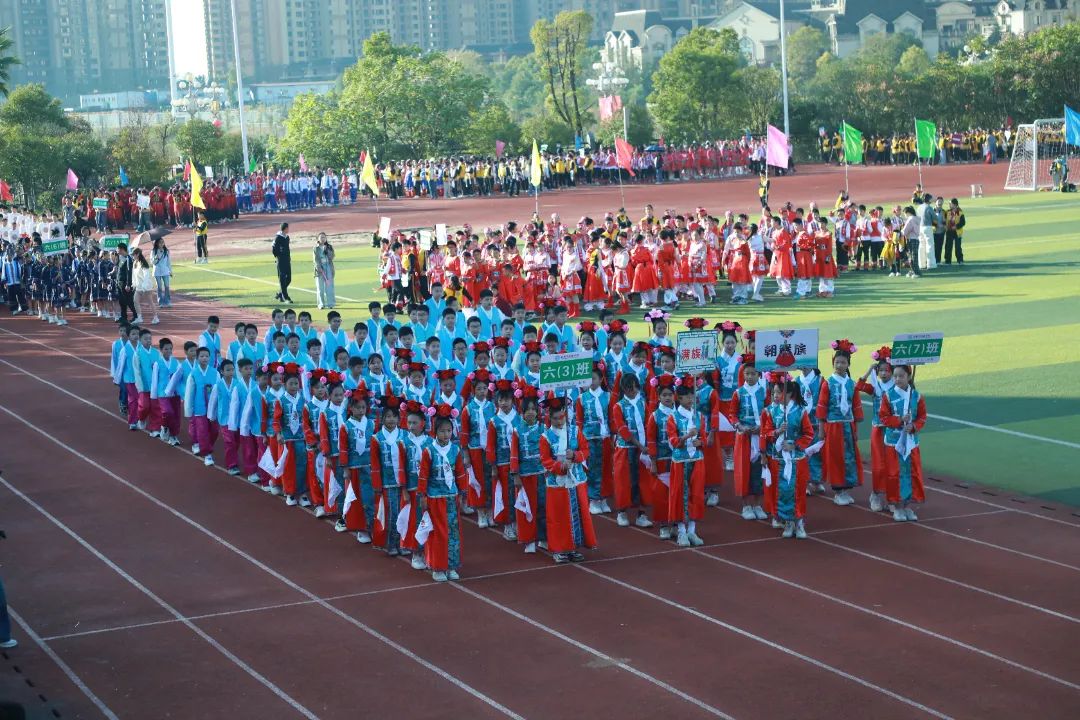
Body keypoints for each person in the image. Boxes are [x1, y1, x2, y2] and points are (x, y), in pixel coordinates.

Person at [131, 248, 159, 325]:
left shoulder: (143, 263)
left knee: (150, 302)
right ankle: (139, 317)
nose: (132, 256)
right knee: (135, 301)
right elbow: (134, 275)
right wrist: (134, 284)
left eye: (133, 255)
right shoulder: (135, 263)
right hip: (138, 286)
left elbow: (146, 276)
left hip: (146, 287)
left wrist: (144, 286)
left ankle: (155, 317)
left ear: (137, 254)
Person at [115, 242, 137, 324]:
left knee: (129, 301)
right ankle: (123, 316)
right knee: (122, 301)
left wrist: (128, 284)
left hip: (125, 284)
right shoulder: (121, 258)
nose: (116, 250)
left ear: (121, 249)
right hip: (119, 283)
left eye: (117, 248)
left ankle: (136, 316)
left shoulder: (128, 259)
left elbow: (129, 272)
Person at [313, 232, 336, 310]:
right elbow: (315, 260)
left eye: (324, 237)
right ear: (318, 239)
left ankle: (331, 304)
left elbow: (332, 257)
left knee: (329, 287)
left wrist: (328, 251)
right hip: (319, 268)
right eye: (321, 237)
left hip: (328, 267)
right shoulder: (316, 248)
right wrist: (319, 268)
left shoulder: (329, 247)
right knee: (320, 288)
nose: (323, 239)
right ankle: (321, 304)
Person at [272, 222, 293, 303]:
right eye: (288, 228)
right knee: (282, 279)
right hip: (281, 261)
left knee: (289, 279)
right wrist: (278, 256)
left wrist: (288, 257)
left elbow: (287, 248)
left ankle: (280, 294)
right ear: (285, 228)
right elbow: (274, 248)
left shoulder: (287, 237)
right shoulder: (278, 237)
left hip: (287, 260)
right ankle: (285, 297)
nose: (289, 229)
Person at [944, 198, 965, 266]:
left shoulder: (960, 212)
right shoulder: (947, 212)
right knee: (948, 246)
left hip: (957, 232)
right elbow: (944, 220)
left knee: (958, 247)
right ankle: (948, 261)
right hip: (949, 231)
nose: (949, 204)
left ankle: (960, 260)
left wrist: (956, 226)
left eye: (951, 203)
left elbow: (963, 222)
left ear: (955, 205)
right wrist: (945, 226)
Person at [152, 237, 172, 308]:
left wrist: (170, 271)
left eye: (162, 242)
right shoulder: (154, 251)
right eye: (160, 242)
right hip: (157, 271)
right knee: (159, 287)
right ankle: (160, 302)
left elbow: (168, 262)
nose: (161, 244)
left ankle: (167, 301)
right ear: (157, 243)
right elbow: (153, 262)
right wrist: (156, 257)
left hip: (165, 271)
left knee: (167, 286)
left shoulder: (166, 251)